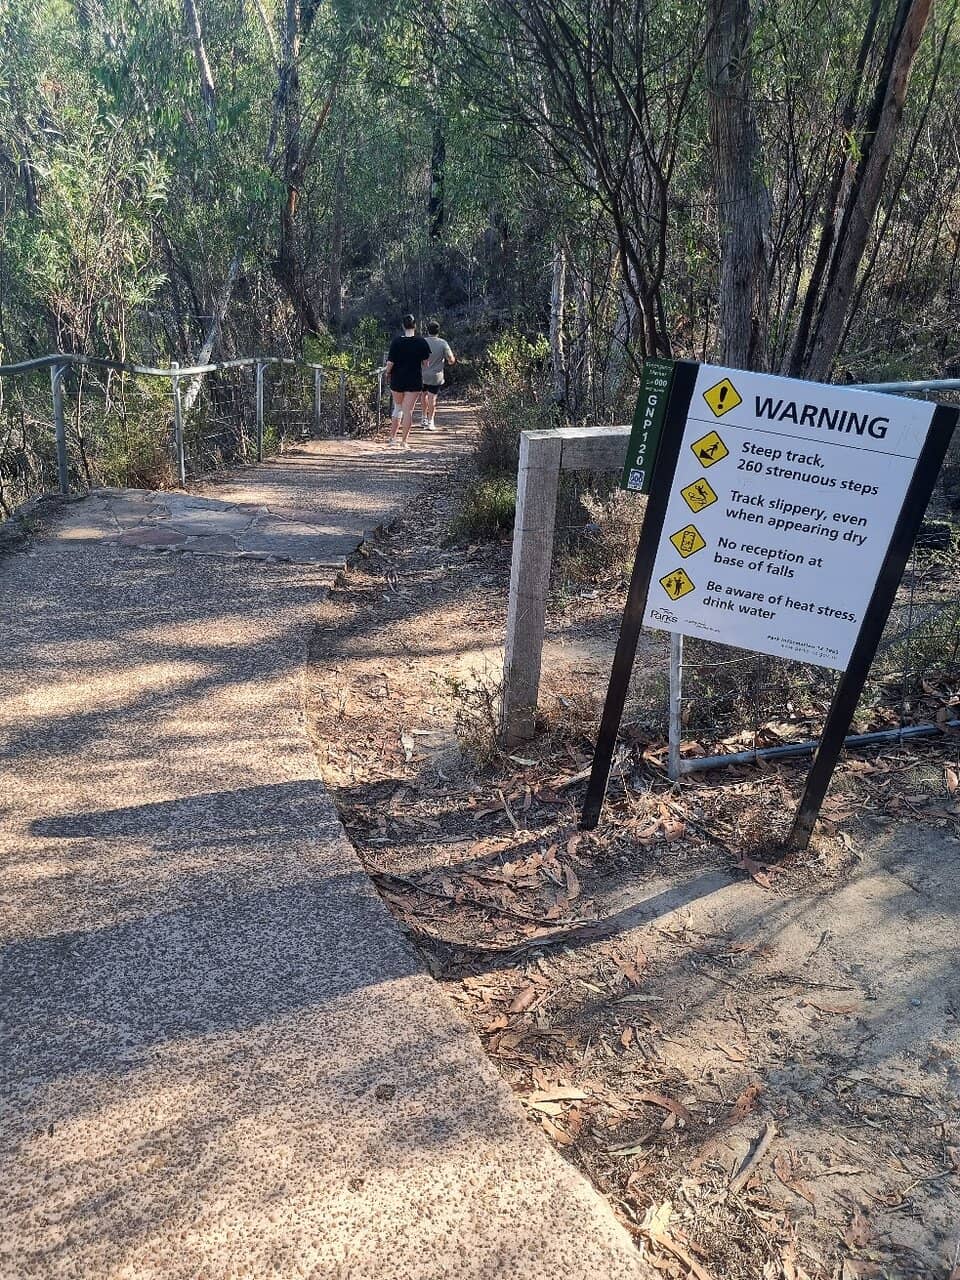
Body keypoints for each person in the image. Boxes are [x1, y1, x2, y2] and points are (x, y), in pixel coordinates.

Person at [384, 314, 431, 447]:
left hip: (397, 379)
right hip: (414, 380)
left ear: (403, 326)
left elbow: (390, 363)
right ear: (415, 326)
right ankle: (404, 441)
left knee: (397, 408)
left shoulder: (396, 342)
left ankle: (392, 439)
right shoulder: (422, 342)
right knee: (407, 411)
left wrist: (387, 373)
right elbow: (426, 363)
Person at [421, 320, 456, 431]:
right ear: (438, 331)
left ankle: (423, 417)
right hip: (436, 376)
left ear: (428, 330)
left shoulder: (422, 342)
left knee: (423, 395)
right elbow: (451, 359)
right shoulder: (443, 343)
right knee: (432, 398)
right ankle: (431, 421)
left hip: (422, 374)